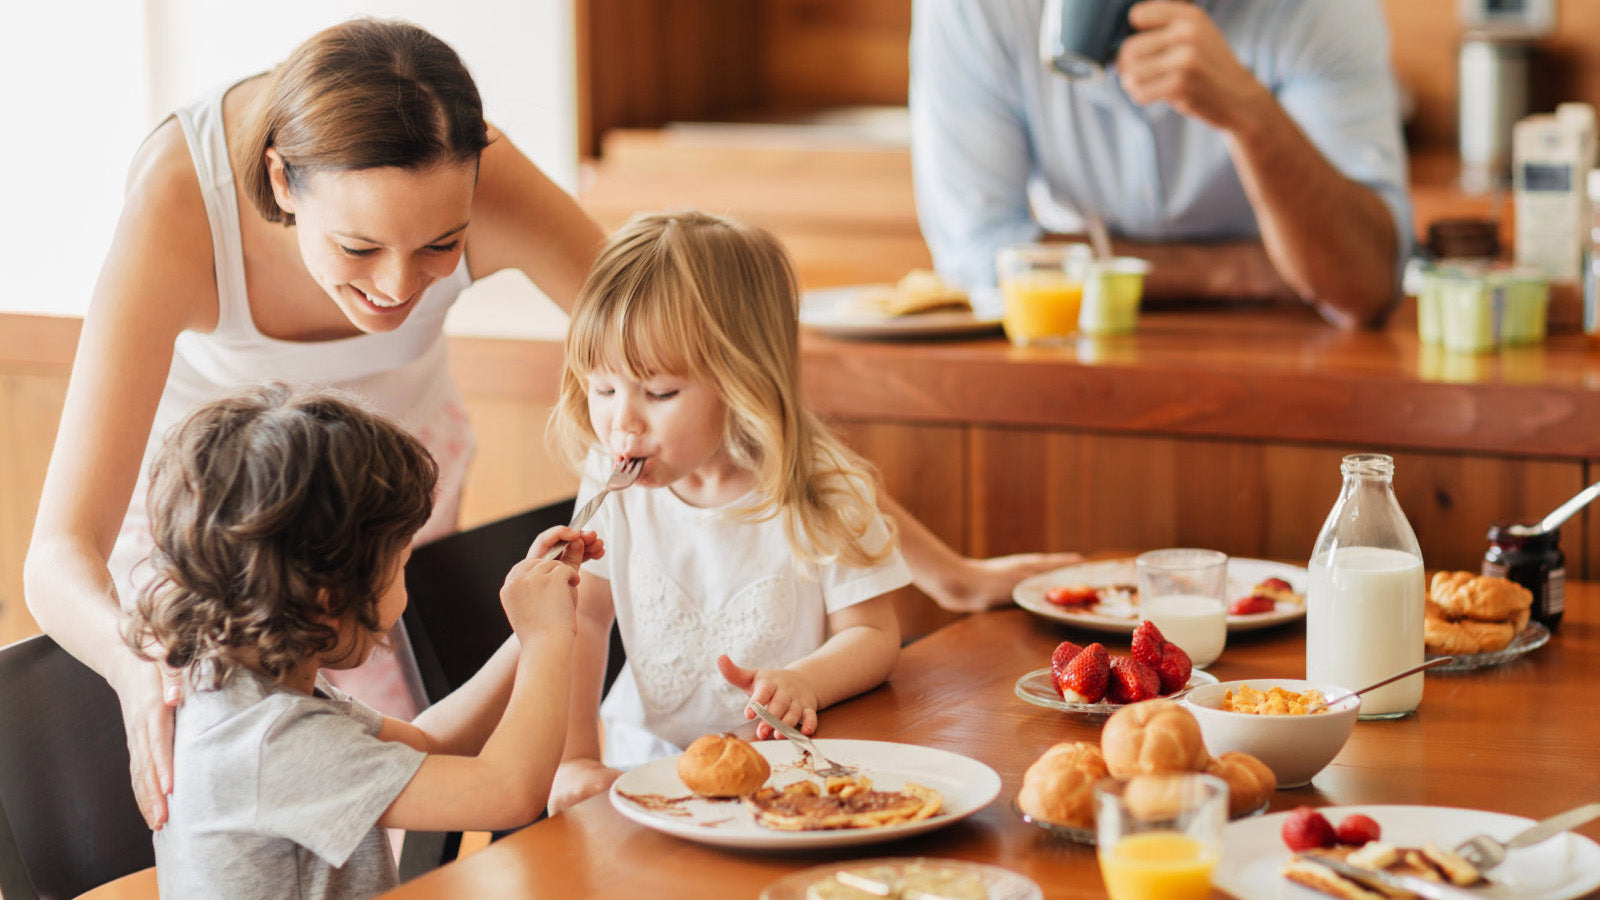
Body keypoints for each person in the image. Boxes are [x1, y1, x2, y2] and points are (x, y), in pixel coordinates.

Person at [22, 16, 1067, 832]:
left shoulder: (482, 170)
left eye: (441, 248)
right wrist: (132, 664)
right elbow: (55, 552)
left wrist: (946, 572)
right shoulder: (180, 198)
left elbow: (723, 379)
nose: (397, 290)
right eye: (357, 251)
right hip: (223, 532)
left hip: (394, 501)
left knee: (387, 781)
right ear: (284, 185)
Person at [123, 384, 601, 899]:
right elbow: (510, 791)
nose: (405, 578)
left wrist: (529, 636)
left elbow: (428, 743)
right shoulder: (275, 743)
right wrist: (550, 637)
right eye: (401, 562)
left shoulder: (246, 686)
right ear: (331, 600)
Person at [544, 210, 909, 813]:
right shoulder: (612, 483)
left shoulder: (821, 487)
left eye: (660, 393)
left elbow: (873, 634)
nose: (621, 422)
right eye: (603, 388)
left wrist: (806, 681)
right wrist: (577, 756)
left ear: (745, 378)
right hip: (642, 764)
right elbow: (583, 619)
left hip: (782, 770)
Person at [910, 0, 1413, 329]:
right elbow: (977, 257)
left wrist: (1251, 117)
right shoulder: (973, 9)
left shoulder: (1318, 10)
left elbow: (1366, 283)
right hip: (1071, 348)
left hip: (1286, 358)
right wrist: (1237, 270)